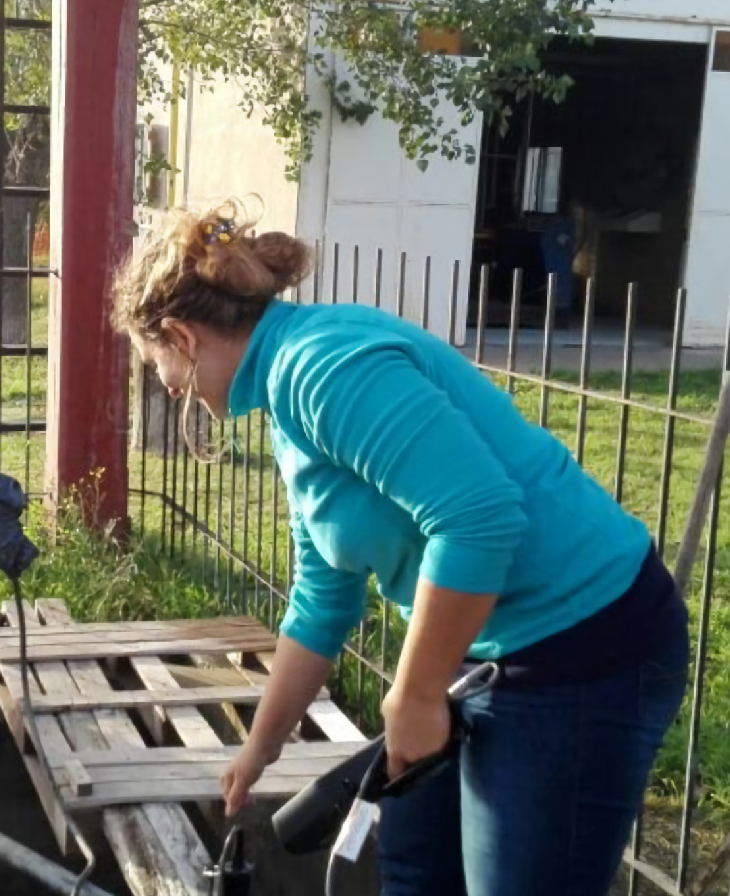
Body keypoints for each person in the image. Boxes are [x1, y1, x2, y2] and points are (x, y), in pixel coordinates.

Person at [113, 201, 690, 895]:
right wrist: (258, 748)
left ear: (182, 334)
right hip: (481, 649)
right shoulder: (286, 404)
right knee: (415, 866)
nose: (170, 387)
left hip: (583, 646)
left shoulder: (320, 369)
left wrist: (415, 693)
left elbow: (478, 520)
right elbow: (321, 599)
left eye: (158, 367)